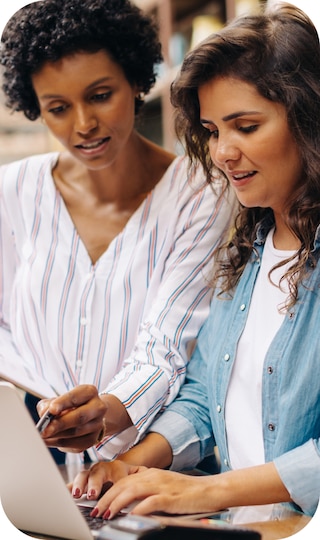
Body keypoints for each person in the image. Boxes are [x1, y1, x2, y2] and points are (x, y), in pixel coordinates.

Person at [69, 2, 320, 519]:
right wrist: (134, 466)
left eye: (245, 127)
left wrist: (207, 492)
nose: (223, 151)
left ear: (309, 122)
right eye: (211, 130)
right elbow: (207, 393)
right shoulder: (245, 255)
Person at [0, 0, 236, 463]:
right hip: (31, 459)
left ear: (134, 80)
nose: (83, 125)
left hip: (152, 462)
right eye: (58, 107)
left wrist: (106, 412)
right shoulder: (13, 192)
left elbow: (167, 344)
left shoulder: (202, 194)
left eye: (100, 95)